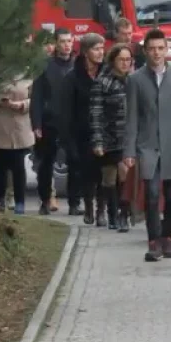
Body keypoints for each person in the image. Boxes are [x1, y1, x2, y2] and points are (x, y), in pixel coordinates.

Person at [124, 28, 171, 262]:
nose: (156, 53)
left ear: (167, 50)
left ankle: (167, 237)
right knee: (152, 194)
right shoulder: (135, 79)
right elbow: (132, 117)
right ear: (145, 51)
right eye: (152, 49)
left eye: (160, 48)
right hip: (148, 145)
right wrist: (129, 151)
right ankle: (153, 241)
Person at [62, 33, 106, 224]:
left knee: (105, 173)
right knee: (87, 173)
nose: (100, 52)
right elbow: (66, 111)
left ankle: (102, 210)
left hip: (105, 131)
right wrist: (68, 140)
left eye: (102, 48)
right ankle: (88, 207)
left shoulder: (106, 73)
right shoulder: (73, 77)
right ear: (86, 52)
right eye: (96, 49)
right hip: (82, 132)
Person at [90, 44, 134, 231]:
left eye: (128, 60)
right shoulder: (102, 83)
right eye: (121, 59)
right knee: (109, 180)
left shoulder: (134, 81)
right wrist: (98, 141)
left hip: (128, 137)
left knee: (125, 176)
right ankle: (112, 213)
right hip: (109, 137)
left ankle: (123, 214)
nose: (125, 63)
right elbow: (96, 113)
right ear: (113, 60)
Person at [31, 27, 74, 215]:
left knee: (75, 162)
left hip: (72, 122)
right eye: (63, 41)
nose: (66, 45)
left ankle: (75, 202)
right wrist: (37, 124)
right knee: (46, 163)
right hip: (49, 122)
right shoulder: (45, 66)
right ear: (56, 43)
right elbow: (37, 97)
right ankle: (45, 199)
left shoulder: (77, 65)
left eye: (69, 41)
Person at [0, 75, 34, 213]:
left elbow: (37, 99)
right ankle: (0, 200)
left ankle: (20, 203)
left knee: (19, 169)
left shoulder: (28, 75)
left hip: (20, 130)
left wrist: (22, 104)